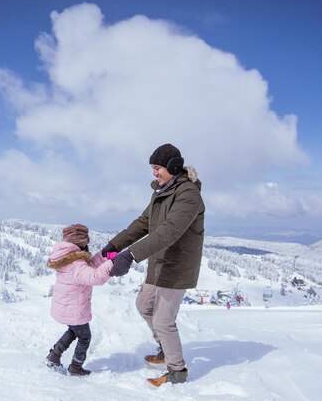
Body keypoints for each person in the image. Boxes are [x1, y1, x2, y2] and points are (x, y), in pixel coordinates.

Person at [105, 143, 205, 387]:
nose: (154, 173)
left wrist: (130, 256)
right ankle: (164, 346)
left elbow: (170, 232)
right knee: (144, 305)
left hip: (177, 266)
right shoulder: (160, 192)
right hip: (158, 262)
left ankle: (177, 370)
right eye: (152, 168)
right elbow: (142, 224)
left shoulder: (189, 195)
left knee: (163, 320)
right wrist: (112, 247)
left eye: (157, 167)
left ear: (173, 166)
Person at [45, 223, 116, 376]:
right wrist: (112, 263)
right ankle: (76, 367)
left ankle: (53, 356)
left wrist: (104, 257)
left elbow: (88, 265)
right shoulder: (77, 264)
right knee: (85, 337)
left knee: (72, 330)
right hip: (74, 309)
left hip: (65, 307)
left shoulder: (66, 258)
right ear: (81, 244)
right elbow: (94, 277)